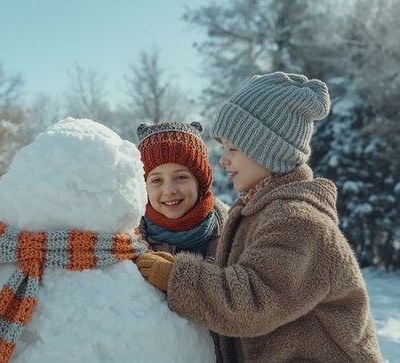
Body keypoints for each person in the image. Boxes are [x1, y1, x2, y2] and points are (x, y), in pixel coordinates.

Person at [136, 72, 382, 362]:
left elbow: (253, 302)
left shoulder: (297, 220)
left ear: (267, 151)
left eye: (233, 149)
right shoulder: (261, 211)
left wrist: (177, 276)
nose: (224, 159)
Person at [136, 121, 228, 264]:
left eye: (180, 177)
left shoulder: (233, 234)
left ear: (200, 182)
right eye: (156, 180)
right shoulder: (127, 241)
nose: (169, 190)